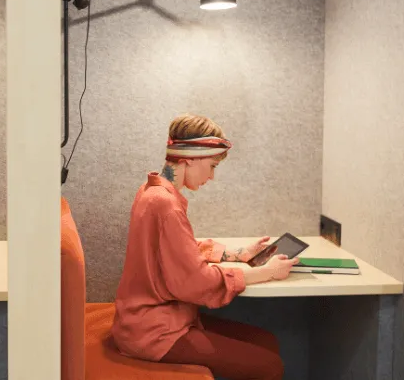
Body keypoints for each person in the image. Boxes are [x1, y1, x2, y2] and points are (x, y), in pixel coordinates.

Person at [111, 113, 298, 380]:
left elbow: (176, 247)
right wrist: (267, 272)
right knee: (270, 367)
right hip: (155, 331)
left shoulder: (151, 190)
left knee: (265, 340)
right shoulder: (166, 205)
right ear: (190, 157)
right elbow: (195, 282)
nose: (211, 177)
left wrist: (238, 254)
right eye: (212, 166)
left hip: (154, 321)